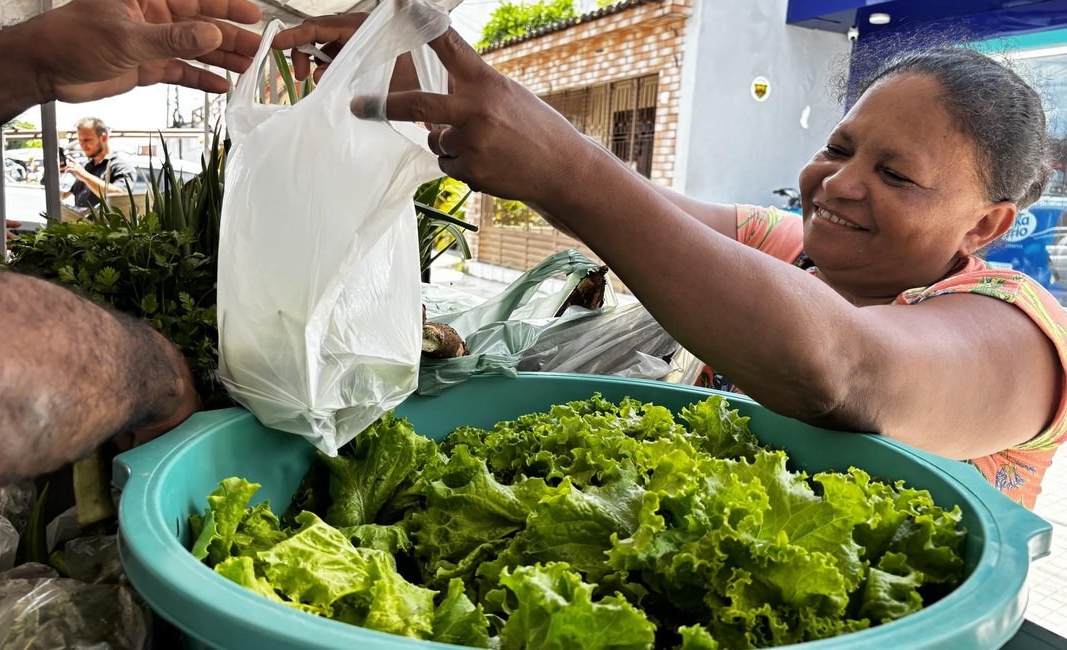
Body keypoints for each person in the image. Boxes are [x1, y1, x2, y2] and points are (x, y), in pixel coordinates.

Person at [275, 21, 1067, 507]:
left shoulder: (1021, 334)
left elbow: (849, 372)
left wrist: (561, 168)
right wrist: (440, 95)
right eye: (838, 148)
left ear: (989, 222)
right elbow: (627, 202)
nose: (840, 185)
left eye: (896, 176)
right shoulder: (791, 247)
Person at [0, 0, 263, 490]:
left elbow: (123, 199)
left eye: (86, 141)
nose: (83, 148)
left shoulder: (116, 163)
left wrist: (35, 61)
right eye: (78, 142)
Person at [60, 117, 137, 210]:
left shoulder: (121, 166)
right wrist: (57, 175)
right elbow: (63, 195)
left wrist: (84, 176)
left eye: (87, 140)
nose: (82, 146)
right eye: (80, 140)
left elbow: (119, 196)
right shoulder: (85, 166)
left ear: (103, 138)